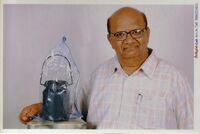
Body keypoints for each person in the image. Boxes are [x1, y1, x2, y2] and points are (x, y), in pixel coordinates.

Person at [19, 7, 193, 129]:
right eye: (119, 35)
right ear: (110, 40)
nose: (129, 40)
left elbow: (192, 127)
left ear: (148, 33)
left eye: (136, 31)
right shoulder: (98, 75)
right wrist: (42, 107)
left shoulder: (174, 79)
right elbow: (73, 111)